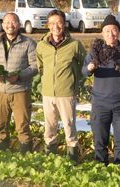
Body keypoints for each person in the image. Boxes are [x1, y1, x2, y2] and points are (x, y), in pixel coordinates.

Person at [82, 15, 120, 165]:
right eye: (107, 31)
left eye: (114, 30)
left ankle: (119, 167)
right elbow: (84, 71)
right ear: (102, 33)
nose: (111, 34)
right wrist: (89, 68)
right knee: (100, 139)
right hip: (100, 103)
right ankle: (100, 166)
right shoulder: (96, 52)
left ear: (119, 32)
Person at [36, 9, 86, 162]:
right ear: (48, 25)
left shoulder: (74, 45)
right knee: (49, 126)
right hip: (48, 93)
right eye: (51, 23)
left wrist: (75, 81)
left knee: (69, 126)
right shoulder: (42, 45)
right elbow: (41, 67)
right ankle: (50, 156)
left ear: (64, 24)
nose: (55, 26)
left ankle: (72, 158)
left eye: (58, 22)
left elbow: (84, 66)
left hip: (67, 92)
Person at [0, 12, 37, 153]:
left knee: (22, 126)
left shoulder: (28, 43)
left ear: (18, 25)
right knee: (0, 125)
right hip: (0, 91)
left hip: (20, 91)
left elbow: (35, 65)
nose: (10, 25)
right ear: (2, 25)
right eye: (7, 22)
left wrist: (19, 76)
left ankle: (25, 155)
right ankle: (2, 152)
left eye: (13, 22)